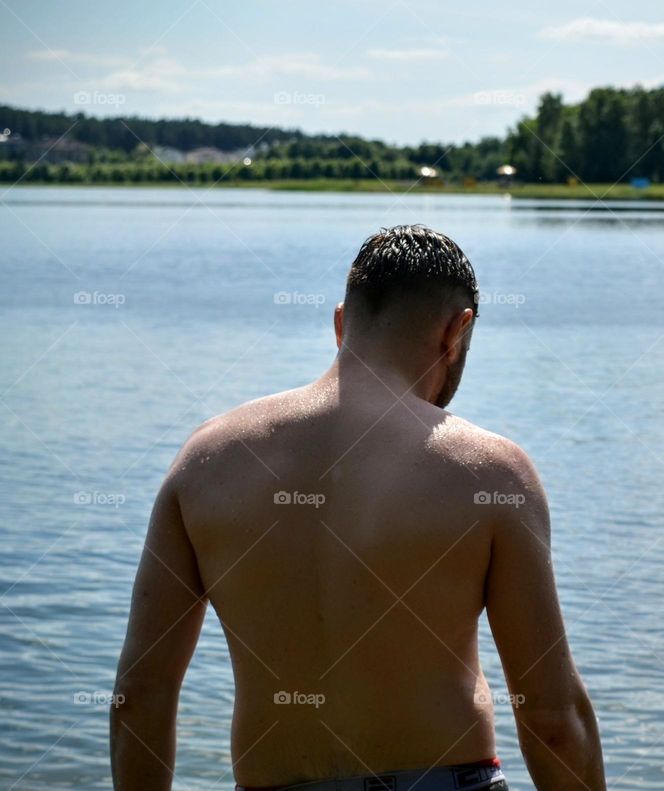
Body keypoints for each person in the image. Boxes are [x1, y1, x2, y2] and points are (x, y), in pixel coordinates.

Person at [111, 225, 606, 791]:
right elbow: (552, 719)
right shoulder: (492, 473)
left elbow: (139, 698)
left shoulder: (207, 462)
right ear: (458, 330)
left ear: (341, 324)